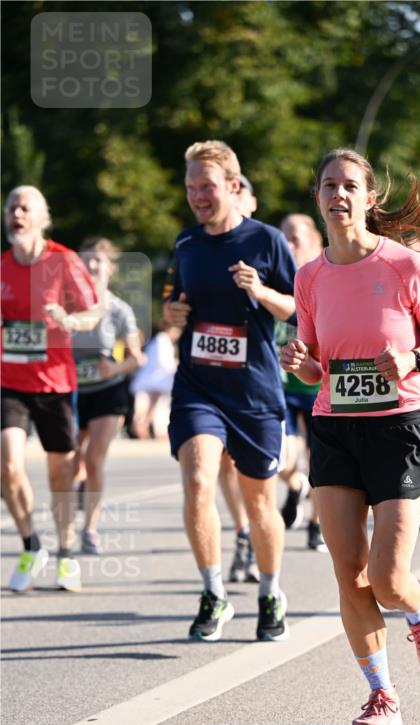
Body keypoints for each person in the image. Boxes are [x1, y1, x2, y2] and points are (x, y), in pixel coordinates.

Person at [280, 147, 420, 725]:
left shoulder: (403, 265)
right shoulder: (309, 276)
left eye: (350, 185)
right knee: (349, 573)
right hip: (334, 429)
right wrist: (300, 362)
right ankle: (382, 694)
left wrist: (410, 357)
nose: (339, 194)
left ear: (367, 196)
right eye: (328, 184)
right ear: (318, 195)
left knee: (387, 579)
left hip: (397, 427)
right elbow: (313, 369)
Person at [164, 140, 295, 641]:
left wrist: (260, 291)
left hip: (254, 391)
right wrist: (172, 316)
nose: (198, 195)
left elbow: (297, 308)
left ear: (234, 187)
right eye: (191, 186)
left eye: (208, 186)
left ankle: (269, 591)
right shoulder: (186, 245)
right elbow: (176, 306)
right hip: (198, 384)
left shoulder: (266, 241)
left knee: (258, 501)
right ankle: (214, 593)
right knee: (198, 479)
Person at [1, 186, 100, 592]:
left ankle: (65, 552)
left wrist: (70, 321)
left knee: (60, 471)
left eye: (25, 207)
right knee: (8, 464)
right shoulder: (3, 266)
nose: (16, 213)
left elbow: (93, 313)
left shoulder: (63, 260)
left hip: (55, 383)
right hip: (10, 381)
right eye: (11, 207)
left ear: (43, 217)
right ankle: (31, 544)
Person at [74, 237, 145, 553]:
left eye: (98, 261)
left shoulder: (119, 310)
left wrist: (113, 370)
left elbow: (136, 357)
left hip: (108, 392)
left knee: (94, 458)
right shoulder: (66, 306)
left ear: (110, 268)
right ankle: (80, 489)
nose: (91, 266)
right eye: (86, 260)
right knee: (69, 459)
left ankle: (90, 529)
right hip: (73, 392)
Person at [218, 171, 260, 585]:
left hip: (272, 378)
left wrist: (261, 291)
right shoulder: (204, 243)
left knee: (279, 468)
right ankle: (243, 531)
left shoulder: (268, 243)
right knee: (222, 464)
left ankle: (299, 487)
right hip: (219, 380)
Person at [278, 213, 326, 551]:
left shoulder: (327, 280)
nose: (289, 245)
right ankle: (294, 486)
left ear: (315, 243)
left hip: (320, 388)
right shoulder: (273, 282)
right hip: (280, 388)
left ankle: (316, 525)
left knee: (321, 464)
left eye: (296, 238)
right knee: (282, 459)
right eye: (284, 238)